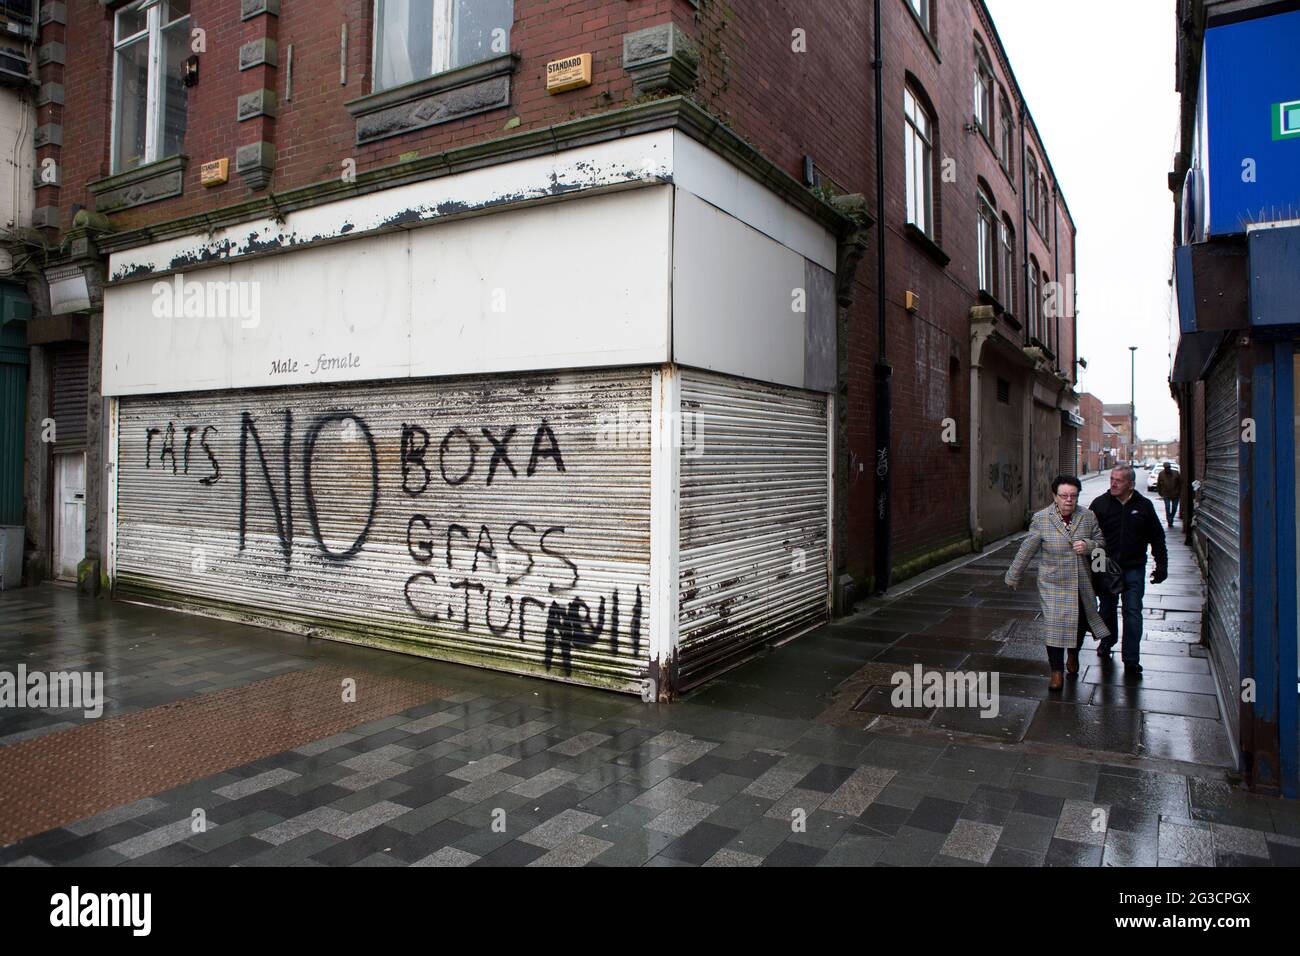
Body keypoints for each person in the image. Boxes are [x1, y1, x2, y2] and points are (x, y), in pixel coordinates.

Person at [1004, 475, 1112, 692]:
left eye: (1073, 496)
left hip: (1081, 584)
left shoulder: (1088, 516)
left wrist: (1089, 545)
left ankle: (1073, 654)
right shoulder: (1042, 519)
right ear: (1055, 496)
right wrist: (1013, 575)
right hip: (1053, 583)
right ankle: (1056, 672)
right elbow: (1028, 548)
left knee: (1081, 625)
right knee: (1054, 627)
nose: (1068, 500)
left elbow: (1101, 545)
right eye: (1063, 496)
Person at [1089, 464, 1168, 678]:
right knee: (1106, 609)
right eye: (1112, 479)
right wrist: (1092, 569)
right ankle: (1108, 640)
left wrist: (1161, 566)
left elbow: (1157, 537)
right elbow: (1088, 538)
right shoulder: (1100, 504)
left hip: (1134, 567)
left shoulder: (1144, 506)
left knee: (1132, 612)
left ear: (1130, 484)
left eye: (1119, 480)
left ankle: (1131, 659)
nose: (1113, 483)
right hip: (1105, 567)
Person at [1156, 462, 1182, 527]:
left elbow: (1180, 483)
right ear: (1164, 468)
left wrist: (1179, 492)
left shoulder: (1176, 473)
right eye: (1166, 468)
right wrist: (1160, 492)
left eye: (1168, 468)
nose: (1167, 469)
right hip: (1166, 493)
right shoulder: (1161, 474)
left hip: (1175, 493)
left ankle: (1171, 518)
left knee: (1174, 507)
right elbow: (1158, 484)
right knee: (1167, 507)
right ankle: (1169, 520)